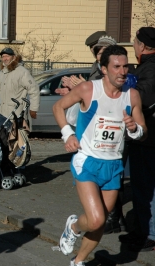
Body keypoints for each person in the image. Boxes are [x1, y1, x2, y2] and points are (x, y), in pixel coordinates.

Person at [52, 45, 147, 266]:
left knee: (100, 224)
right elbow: (58, 107)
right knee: (96, 218)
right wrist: (67, 135)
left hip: (113, 165)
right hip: (87, 161)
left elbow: (142, 132)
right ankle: (74, 226)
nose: (122, 72)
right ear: (104, 69)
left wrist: (134, 129)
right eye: (116, 67)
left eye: (126, 66)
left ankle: (78, 261)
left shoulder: (132, 95)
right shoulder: (88, 89)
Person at [119, 27, 155, 252]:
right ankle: (143, 230)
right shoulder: (146, 67)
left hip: (148, 138)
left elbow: (142, 97)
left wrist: (121, 91)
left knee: (146, 187)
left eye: (134, 41)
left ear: (141, 45)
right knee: (143, 186)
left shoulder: (150, 69)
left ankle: (150, 234)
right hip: (146, 137)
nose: (133, 45)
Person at [0, 47, 40, 131]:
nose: (5, 58)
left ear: (14, 57)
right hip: (3, 115)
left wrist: (33, 109)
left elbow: (34, 90)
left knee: (18, 142)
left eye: (7, 56)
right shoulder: (1, 74)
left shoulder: (22, 72)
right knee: (4, 141)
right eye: (3, 56)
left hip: (17, 115)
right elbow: (0, 93)